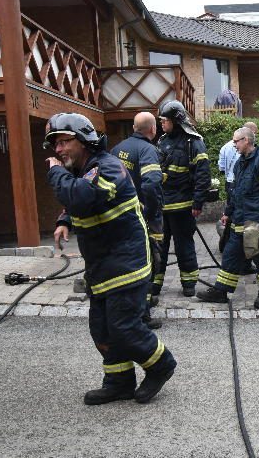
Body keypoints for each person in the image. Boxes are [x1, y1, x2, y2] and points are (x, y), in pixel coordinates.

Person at [45, 113, 176, 405]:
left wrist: (55, 172)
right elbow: (77, 200)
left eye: (64, 142)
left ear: (84, 141)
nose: (58, 150)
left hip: (126, 262)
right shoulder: (84, 169)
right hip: (103, 264)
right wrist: (65, 219)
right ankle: (119, 382)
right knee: (102, 329)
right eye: (55, 145)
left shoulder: (107, 167)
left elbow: (81, 196)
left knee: (124, 327)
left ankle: (161, 364)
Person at [197, 126, 259, 309]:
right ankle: (221, 291)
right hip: (239, 219)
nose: (234, 144)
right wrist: (227, 213)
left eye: (236, 141)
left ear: (246, 140)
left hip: (257, 221)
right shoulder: (240, 163)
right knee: (230, 255)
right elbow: (235, 192)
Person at [153, 100, 211, 298]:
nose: (162, 123)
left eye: (165, 120)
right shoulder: (162, 141)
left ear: (176, 121)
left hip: (183, 207)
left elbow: (203, 174)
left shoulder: (193, 142)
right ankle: (155, 285)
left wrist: (198, 202)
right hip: (162, 207)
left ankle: (188, 284)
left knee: (184, 246)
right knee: (159, 246)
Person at [111, 112, 163, 330]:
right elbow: (151, 183)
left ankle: (132, 306)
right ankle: (143, 314)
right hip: (141, 218)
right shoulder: (148, 150)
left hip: (119, 218)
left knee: (127, 262)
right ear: (152, 129)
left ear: (134, 127)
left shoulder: (117, 149)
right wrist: (150, 212)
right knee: (148, 261)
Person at [218, 121, 258, 204]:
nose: (255, 137)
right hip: (243, 184)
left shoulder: (224, 147)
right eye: (254, 134)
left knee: (231, 207)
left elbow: (221, 167)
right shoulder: (246, 149)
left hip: (229, 182)